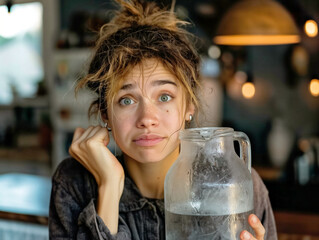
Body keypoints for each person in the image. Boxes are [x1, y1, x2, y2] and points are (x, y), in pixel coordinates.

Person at [49, 0, 277, 239]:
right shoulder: (74, 184)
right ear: (105, 113)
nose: (147, 118)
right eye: (127, 100)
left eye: (165, 96)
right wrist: (108, 185)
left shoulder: (235, 183)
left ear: (189, 106)